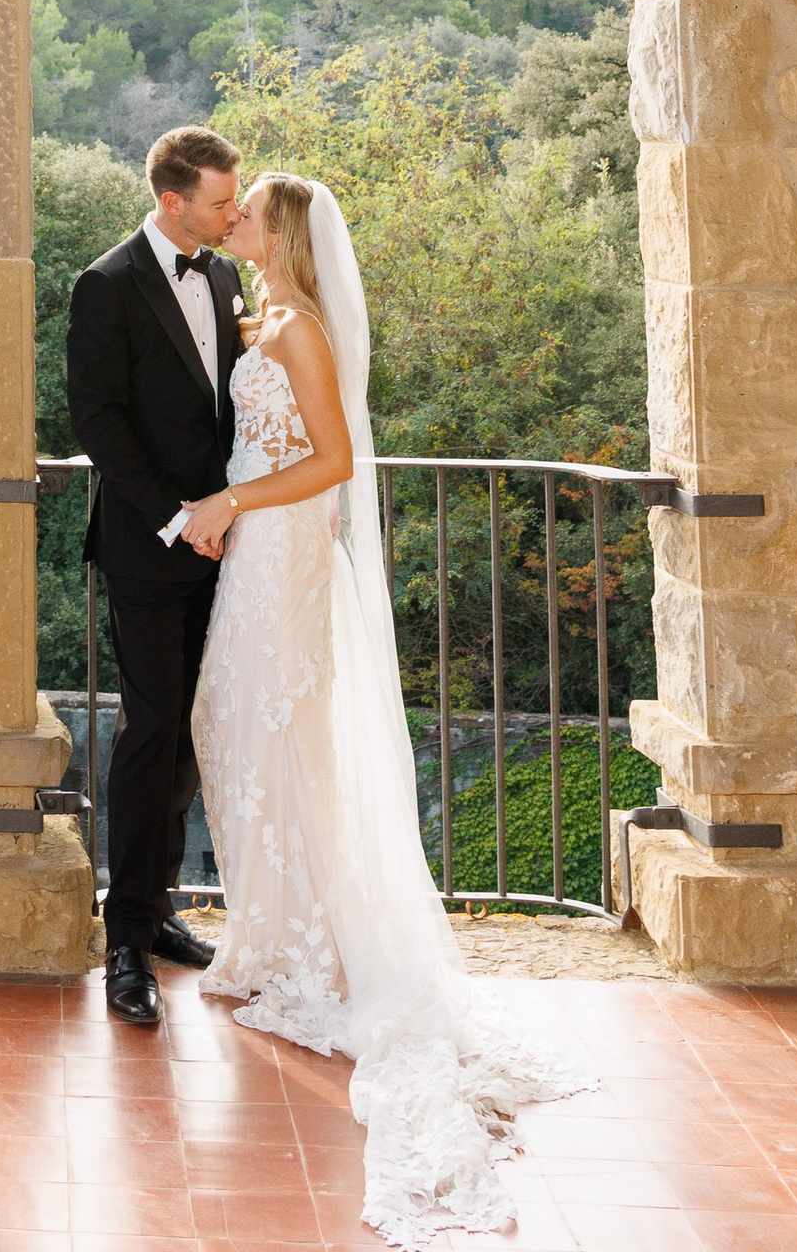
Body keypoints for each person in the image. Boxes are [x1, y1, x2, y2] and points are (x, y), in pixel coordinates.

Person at [184, 169, 588, 1248]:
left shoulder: (303, 329)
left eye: (251, 208)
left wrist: (230, 498)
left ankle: (298, 949)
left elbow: (333, 459)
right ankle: (267, 932)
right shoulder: (259, 310)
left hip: (282, 554)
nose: (238, 219)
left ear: (282, 229)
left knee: (276, 734)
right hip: (253, 552)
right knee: (230, 728)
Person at [63, 124, 248, 1031]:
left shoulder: (222, 275)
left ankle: (161, 904)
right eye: (220, 201)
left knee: (189, 735)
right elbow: (98, 423)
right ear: (173, 200)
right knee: (148, 734)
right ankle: (124, 941)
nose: (233, 213)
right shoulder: (105, 284)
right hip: (149, 545)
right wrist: (179, 518)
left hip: (231, 548)